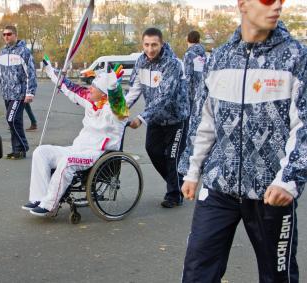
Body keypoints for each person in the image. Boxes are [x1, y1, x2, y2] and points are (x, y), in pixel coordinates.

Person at [178, 0, 307, 282]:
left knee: (277, 277)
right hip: (218, 188)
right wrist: (192, 170)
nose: (277, 7)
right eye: (268, 0)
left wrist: (289, 179)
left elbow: (305, 127)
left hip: (271, 193)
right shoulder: (220, 58)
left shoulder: (297, 57)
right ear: (243, 4)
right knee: (197, 271)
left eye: (282, 1)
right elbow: (204, 121)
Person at [21, 59, 129, 216]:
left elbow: (119, 106)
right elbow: (69, 88)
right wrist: (50, 70)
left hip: (97, 154)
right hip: (77, 148)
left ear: (105, 93)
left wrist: (113, 87)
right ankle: (38, 198)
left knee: (68, 161)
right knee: (41, 152)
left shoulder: (116, 112)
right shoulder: (91, 101)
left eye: (95, 87)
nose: (90, 89)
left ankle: (50, 205)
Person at [126, 27, 189, 208]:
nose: (150, 49)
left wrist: (141, 118)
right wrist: (119, 109)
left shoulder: (173, 64)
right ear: (142, 44)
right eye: (146, 44)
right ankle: (177, 182)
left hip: (176, 119)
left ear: (161, 44)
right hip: (155, 119)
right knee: (153, 151)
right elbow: (134, 90)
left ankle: (174, 195)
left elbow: (164, 97)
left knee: (172, 156)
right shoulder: (140, 62)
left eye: (154, 45)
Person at [0, 25, 37, 160]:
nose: (6, 37)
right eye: (4, 35)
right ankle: (17, 151)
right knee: (16, 122)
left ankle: (23, 146)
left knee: (11, 120)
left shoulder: (24, 52)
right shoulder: (3, 52)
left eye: (8, 34)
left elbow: (30, 73)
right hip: (6, 94)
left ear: (15, 35)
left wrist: (30, 92)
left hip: (19, 94)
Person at [183, 30, 206, 112]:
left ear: (187, 40)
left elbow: (187, 75)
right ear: (199, 40)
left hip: (191, 93)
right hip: (202, 90)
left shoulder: (189, 54)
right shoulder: (203, 53)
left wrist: (185, 94)